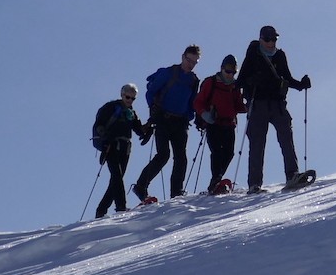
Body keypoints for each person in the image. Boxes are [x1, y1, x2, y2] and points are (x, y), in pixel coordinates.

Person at [236, 25, 310, 193]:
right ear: (261, 39)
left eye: (274, 39)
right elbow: (239, 82)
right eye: (268, 39)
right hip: (258, 105)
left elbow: (287, 78)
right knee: (257, 144)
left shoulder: (280, 55)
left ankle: (292, 175)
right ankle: (254, 184)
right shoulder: (253, 54)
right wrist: (251, 81)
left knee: (286, 139)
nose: (271, 43)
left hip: (277, 104)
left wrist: (301, 85)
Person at [133, 45, 202, 202]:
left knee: (181, 157)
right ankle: (141, 186)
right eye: (189, 60)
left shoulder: (193, 80)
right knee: (163, 155)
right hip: (163, 119)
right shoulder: (169, 73)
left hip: (181, 122)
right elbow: (150, 92)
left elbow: (192, 102)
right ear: (183, 56)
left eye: (194, 62)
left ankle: (176, 192)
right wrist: (153, 110)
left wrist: (189, 116)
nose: (190, 64)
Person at [192, 54, 246, 195]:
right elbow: (198, 101)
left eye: (233, 72)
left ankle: (216, 180)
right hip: (213, 123)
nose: (230, 74)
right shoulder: (211, 83)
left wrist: (249, 106)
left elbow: (238, 106)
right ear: (221, 69)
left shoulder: (234, 86)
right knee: (216, 152)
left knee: (229, 153)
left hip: (229, 124)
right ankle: (216, 180)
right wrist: (204, 114)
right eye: (228, 71)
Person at [90, 83, 144, 218]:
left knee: (116, 179)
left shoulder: (131, 112)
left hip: (125, 148)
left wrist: (150, 126)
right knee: (117, 176)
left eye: (133, 98)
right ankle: (120, 206)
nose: (130, 100)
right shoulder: (110, 108)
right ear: (122, 95)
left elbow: (139, 130)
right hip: (111, 146)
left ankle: (101, 210)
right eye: (128, 97)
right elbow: (99, 125)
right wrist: (105, 141)